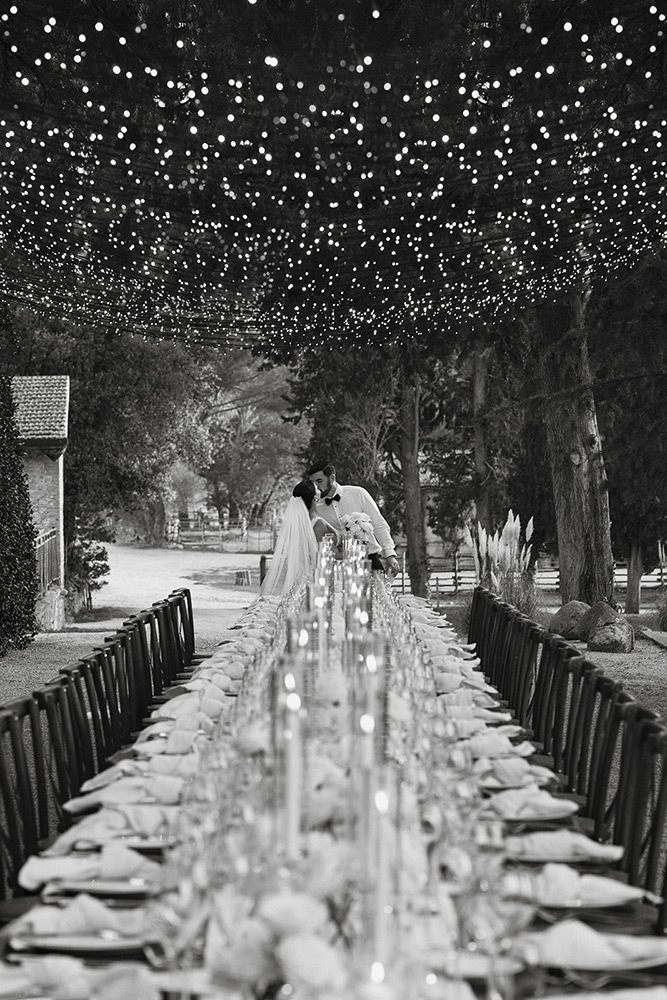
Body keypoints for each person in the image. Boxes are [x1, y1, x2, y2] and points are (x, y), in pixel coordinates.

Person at [306, 461, 399, 575]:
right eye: (313, 483)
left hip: (370, 560)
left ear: (331, 478)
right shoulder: (316, 508)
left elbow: (378, 523)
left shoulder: (358, 493)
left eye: (319, 481)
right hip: (339, 567)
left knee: (381, 592)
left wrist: (389, 554)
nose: (316, 487)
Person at [258, 480, 337, 597]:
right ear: (315, 498)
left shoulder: (296, 526)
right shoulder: (319, 524)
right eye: (317, 488)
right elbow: (325, 557)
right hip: (316, 579)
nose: (320, 489)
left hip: (300, 577)